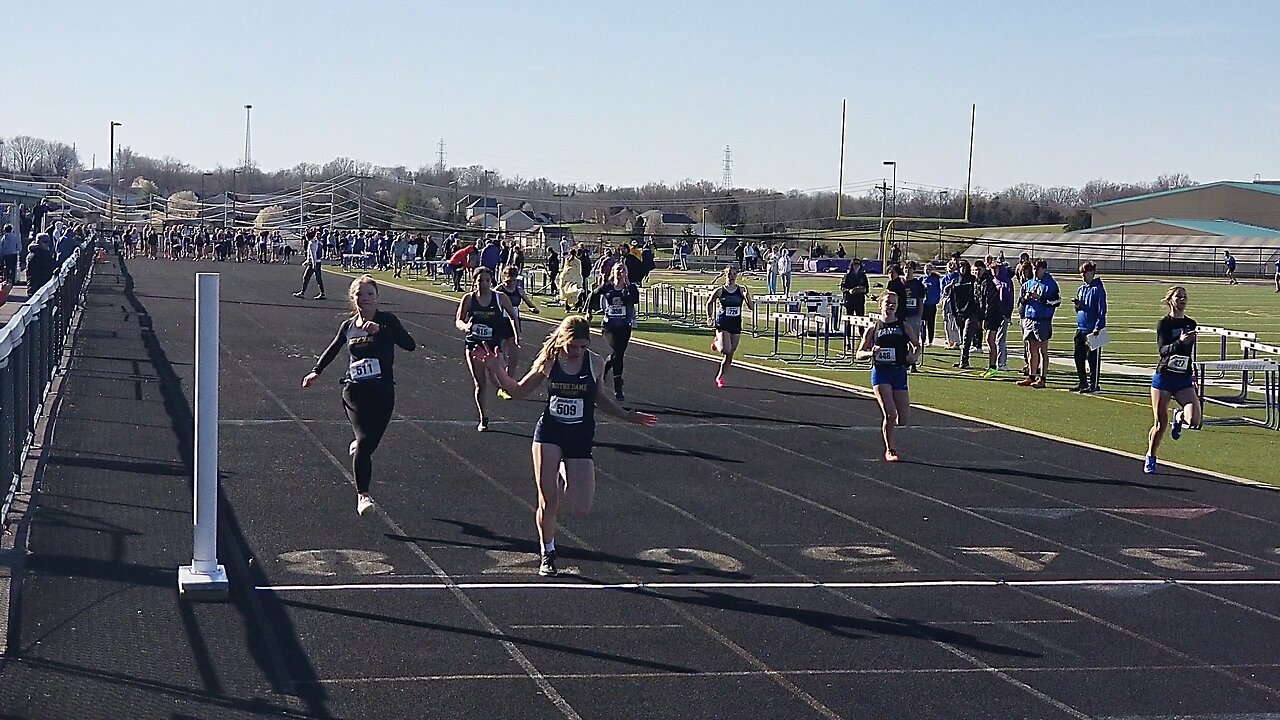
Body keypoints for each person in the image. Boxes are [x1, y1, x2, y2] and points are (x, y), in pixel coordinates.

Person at [472, 316, 657, 576]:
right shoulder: (550, 360)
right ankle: (547, 552)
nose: (578, 352)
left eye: (583, 347)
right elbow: (518, 391)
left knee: (581, 507)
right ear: (562, 340)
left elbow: (600, 399)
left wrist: (627, 415)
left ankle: (562, 469)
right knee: (549, 502)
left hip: (580, 437)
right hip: (550, 433)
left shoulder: (594, 362)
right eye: (573, 347)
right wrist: (497, 369)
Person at [302, 275, 416, 515]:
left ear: (376, 297)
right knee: (365, 443)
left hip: (382, 390)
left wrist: (382, 331)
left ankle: (360, 446)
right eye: (359, 295)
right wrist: (316, 372)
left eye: (369, 295)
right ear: (352, 298)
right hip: (355, 390)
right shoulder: (348, 326)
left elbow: (410, 344)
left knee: (369, 443)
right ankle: (363, 495)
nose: (364, 299)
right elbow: (333, 349)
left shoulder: (388, 320)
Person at [856, 292, 920, 462]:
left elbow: (917, 346)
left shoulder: (903, 326)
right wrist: (871, 352)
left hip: (899, 372)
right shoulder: (873, 328)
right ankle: (890, 449)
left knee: (903, 419)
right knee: (890, 414)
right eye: (888, 303)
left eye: (894, 303)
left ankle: (891, 434)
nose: (891, 306)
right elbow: (858, 354)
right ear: (880, 305)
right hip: (881, 372)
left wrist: (913, 357)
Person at [1145, 286, 1202, 474]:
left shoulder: (1191, 323)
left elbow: (1189, 354)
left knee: (1194, 420)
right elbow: (1162, 351)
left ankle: (1178, 417)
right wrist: (1179, 342)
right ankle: (1151, 456)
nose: (1183, 300)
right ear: (1171, 300)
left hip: (1183, 378)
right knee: (1160, 424)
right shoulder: (1164, 324)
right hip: (1165, 378)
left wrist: (1192, 374)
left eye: (1185, 297)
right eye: (1179, 297)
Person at [456, 267, 519, 431]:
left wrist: (516, 336)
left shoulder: (500, 298)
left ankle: (507, 389)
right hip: (474, 345)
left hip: (493, 346)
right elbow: (458, 320)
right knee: (480, 383)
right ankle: (483, 418)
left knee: (497, 378)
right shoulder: (469, 299)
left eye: (487, 281)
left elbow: (513, 316)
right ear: (474, 281)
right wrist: (466, 327)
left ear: (491, 281)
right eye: (480, 280)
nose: (483, 284)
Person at [586, 263, 639, 401]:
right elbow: (593, 295)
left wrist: (627, 283)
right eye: (618, 270)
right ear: (613, 272)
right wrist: (588, 312)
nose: (621, 272)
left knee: (618, 354)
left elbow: (635, 299)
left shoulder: (630, 287)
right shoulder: (607, 287)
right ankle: (618, 387)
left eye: (624, 270)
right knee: (617, 352)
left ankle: (606, 366)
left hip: (624, 326)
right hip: (609, 326)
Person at [706, 266, 754, 388]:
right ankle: (716, 342)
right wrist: (709, 317)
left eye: (734, 274)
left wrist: (747, 296)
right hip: (723, 323)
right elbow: (709, 303)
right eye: (729, 274)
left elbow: (751, 307)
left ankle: (720, 376)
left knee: (730, 353)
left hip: (736, 323)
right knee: (725, 350)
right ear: (725, 275)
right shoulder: (720, 290)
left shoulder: (741, 290)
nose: (731, 276)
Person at [1016, 259, 1061, 388]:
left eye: (1038, 269)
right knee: (1031, 350)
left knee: (1043, 350)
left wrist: (1040, 299)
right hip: (1030, 318)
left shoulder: (1050, 284)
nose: (1035, 272)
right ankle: (1031, 375)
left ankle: (1042, 378)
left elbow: (1056, 301)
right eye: (1034, 269)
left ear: (1044, 269)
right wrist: (1027, 298)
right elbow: (1021, 301)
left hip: (1043, 320)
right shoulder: (1028, 283)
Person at [496, 264, 540, 393]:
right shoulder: (499, 290)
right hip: (500, 323)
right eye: (509, 280)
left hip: (514, 323)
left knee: (514, 355)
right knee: (500, 354)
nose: (512, 283)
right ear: (504, 278)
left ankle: (508, 383)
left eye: (514, 280)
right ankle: (501, 377)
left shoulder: (519, 290)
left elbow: (528, 301)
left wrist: (533, 308)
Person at [1072, 262, 1107, 393]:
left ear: (1091, 273)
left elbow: (1102, 310)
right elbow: (1081, 309)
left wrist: (1098, 327)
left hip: (1094, 329)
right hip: (1081, 328)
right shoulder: (1081, 289)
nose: (1082, 276)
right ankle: (1083, 383)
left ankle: (1094, 385)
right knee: (1078, 356)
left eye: (1084, 273)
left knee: (1093, 359)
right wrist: (1078, 306)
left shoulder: (1098, 289)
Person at [951, 260, 979, 369]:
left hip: (971, 312)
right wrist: (954, 312)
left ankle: (964, 360)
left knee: (967, 337)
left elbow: (975, 297)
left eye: (964, 267)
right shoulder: (956, 281)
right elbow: (952, 298)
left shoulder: (972, 281)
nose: (962, 269)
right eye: (960, 267)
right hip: (959, 313)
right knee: (962, 338)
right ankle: (962, 359)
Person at [292, 229, 327, 300]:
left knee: (306, 277)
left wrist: (313, 265)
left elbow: (313, 255)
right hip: (318, 262)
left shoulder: (312, 243)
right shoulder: (318, 242)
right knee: (318, 278)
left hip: (314, 263)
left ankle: (302, 293)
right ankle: (322, 293)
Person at [921, 263, 942, 347]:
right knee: (922, 323)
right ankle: (923, 339)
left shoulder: (935, 279)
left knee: (931, 323)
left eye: (929, 269)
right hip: (923, 304)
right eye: (926, 268)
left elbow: (938, 290)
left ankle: (930, 341)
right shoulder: (921, 278)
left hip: (931, 304)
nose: (927, 270)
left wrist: (937, 300)